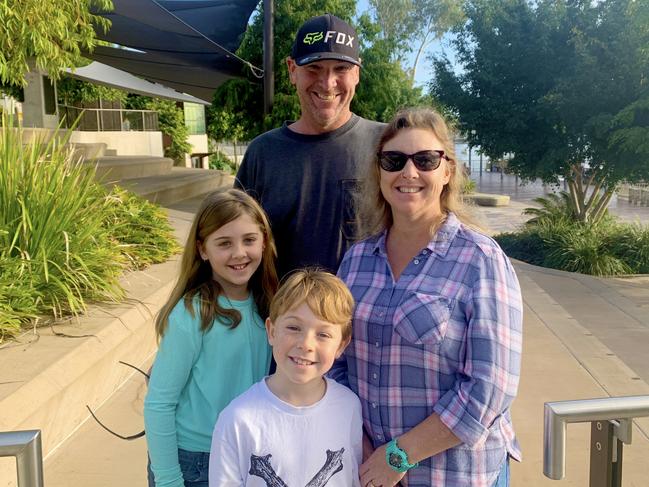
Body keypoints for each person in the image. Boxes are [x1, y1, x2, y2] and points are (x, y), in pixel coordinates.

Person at [331, 108, 523, 487]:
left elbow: (490, 387)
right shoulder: (355, 261)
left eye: (425, 160)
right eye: (394, 160)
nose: (409, 172)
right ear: (379, 171)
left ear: (447, 170)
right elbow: (336, 360)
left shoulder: (481, 260)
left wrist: (399, 455)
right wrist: (364, 445)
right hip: (371, 471)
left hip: (457, 476)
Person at [144, 188, 279, 487]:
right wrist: (168, 480)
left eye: (249, 240)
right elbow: (159, 403)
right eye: (224, 243)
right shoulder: (191, 314)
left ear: (264, 241)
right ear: (203, 249)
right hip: (193, 462)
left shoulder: (269, 306)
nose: (239, 253)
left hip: (246, 455)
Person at [235, 13, 385, 278]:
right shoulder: (263, 153)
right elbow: (233, 241)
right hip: (278, 317)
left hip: (364, 318)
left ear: (357, 73)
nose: (327, 83)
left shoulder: (388, 147)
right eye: (313, 68)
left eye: (341, 69)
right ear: (292, 70)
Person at [209, 269, 362, 486]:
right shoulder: (237, 420)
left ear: (341, 345)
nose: (306, 344)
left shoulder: (349, 406)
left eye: (323, 334)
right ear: (271, 331)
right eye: (293, 327)